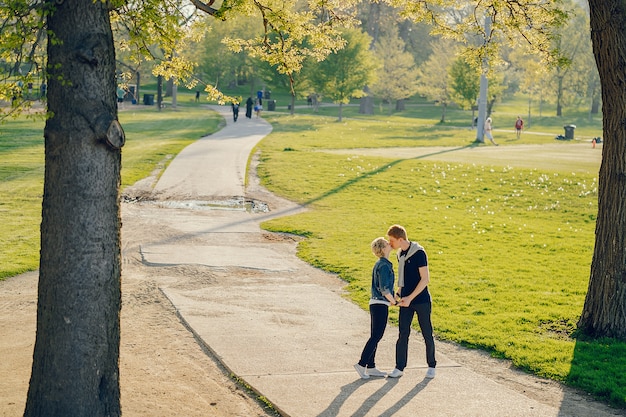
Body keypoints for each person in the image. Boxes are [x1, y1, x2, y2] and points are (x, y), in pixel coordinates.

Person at [386, 224, 437, 379]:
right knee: (403, 333)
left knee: (427, 332)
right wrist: (398, 294)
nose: (390, 244)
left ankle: (432, 365)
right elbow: (403, 280)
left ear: (400, 239)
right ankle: (399, 367)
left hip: (421, 300)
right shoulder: (400, 254)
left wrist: (410, 298)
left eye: (392, 241)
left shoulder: (419, 253)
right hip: (405, 300)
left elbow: (425, 279)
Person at [354, 237, 398, 379]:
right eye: (386, 243)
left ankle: (371, 366)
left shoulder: (381, 264)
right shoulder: (384, 265)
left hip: (376, 303)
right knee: (376, 336)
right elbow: (384, 289)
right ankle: (361, 364)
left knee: (375, 335)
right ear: (383, 248)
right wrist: (394, 302)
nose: (389, 244)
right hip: (380, 304)